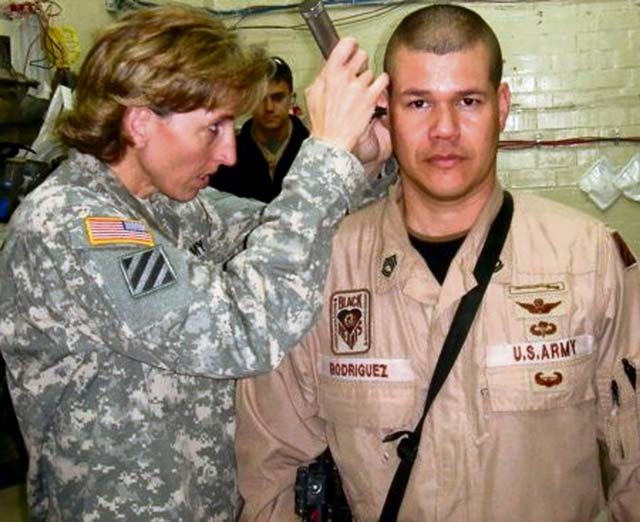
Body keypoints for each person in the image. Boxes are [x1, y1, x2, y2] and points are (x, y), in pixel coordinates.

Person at [235, 4, 640, 521]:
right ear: (385, 112)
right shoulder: (322, 272)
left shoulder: (589, 259)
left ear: (502, 106)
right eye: (419, 102)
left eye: (467, 101)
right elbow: (270, 472)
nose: (444, 129)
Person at [0, 5, 392, 521]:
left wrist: (362, 164)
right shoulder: (68, 226)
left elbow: (296, 239)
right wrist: (326, 156)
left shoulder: (169, 206)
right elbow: (245, 330)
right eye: (213, 128)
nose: (229, 153)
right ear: (141, 122)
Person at [210, 56, 310, 203]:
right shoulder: (227, 158)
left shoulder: (311, 151)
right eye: (260, 98)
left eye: (278, 98)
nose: (269, 108)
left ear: (291, 98)